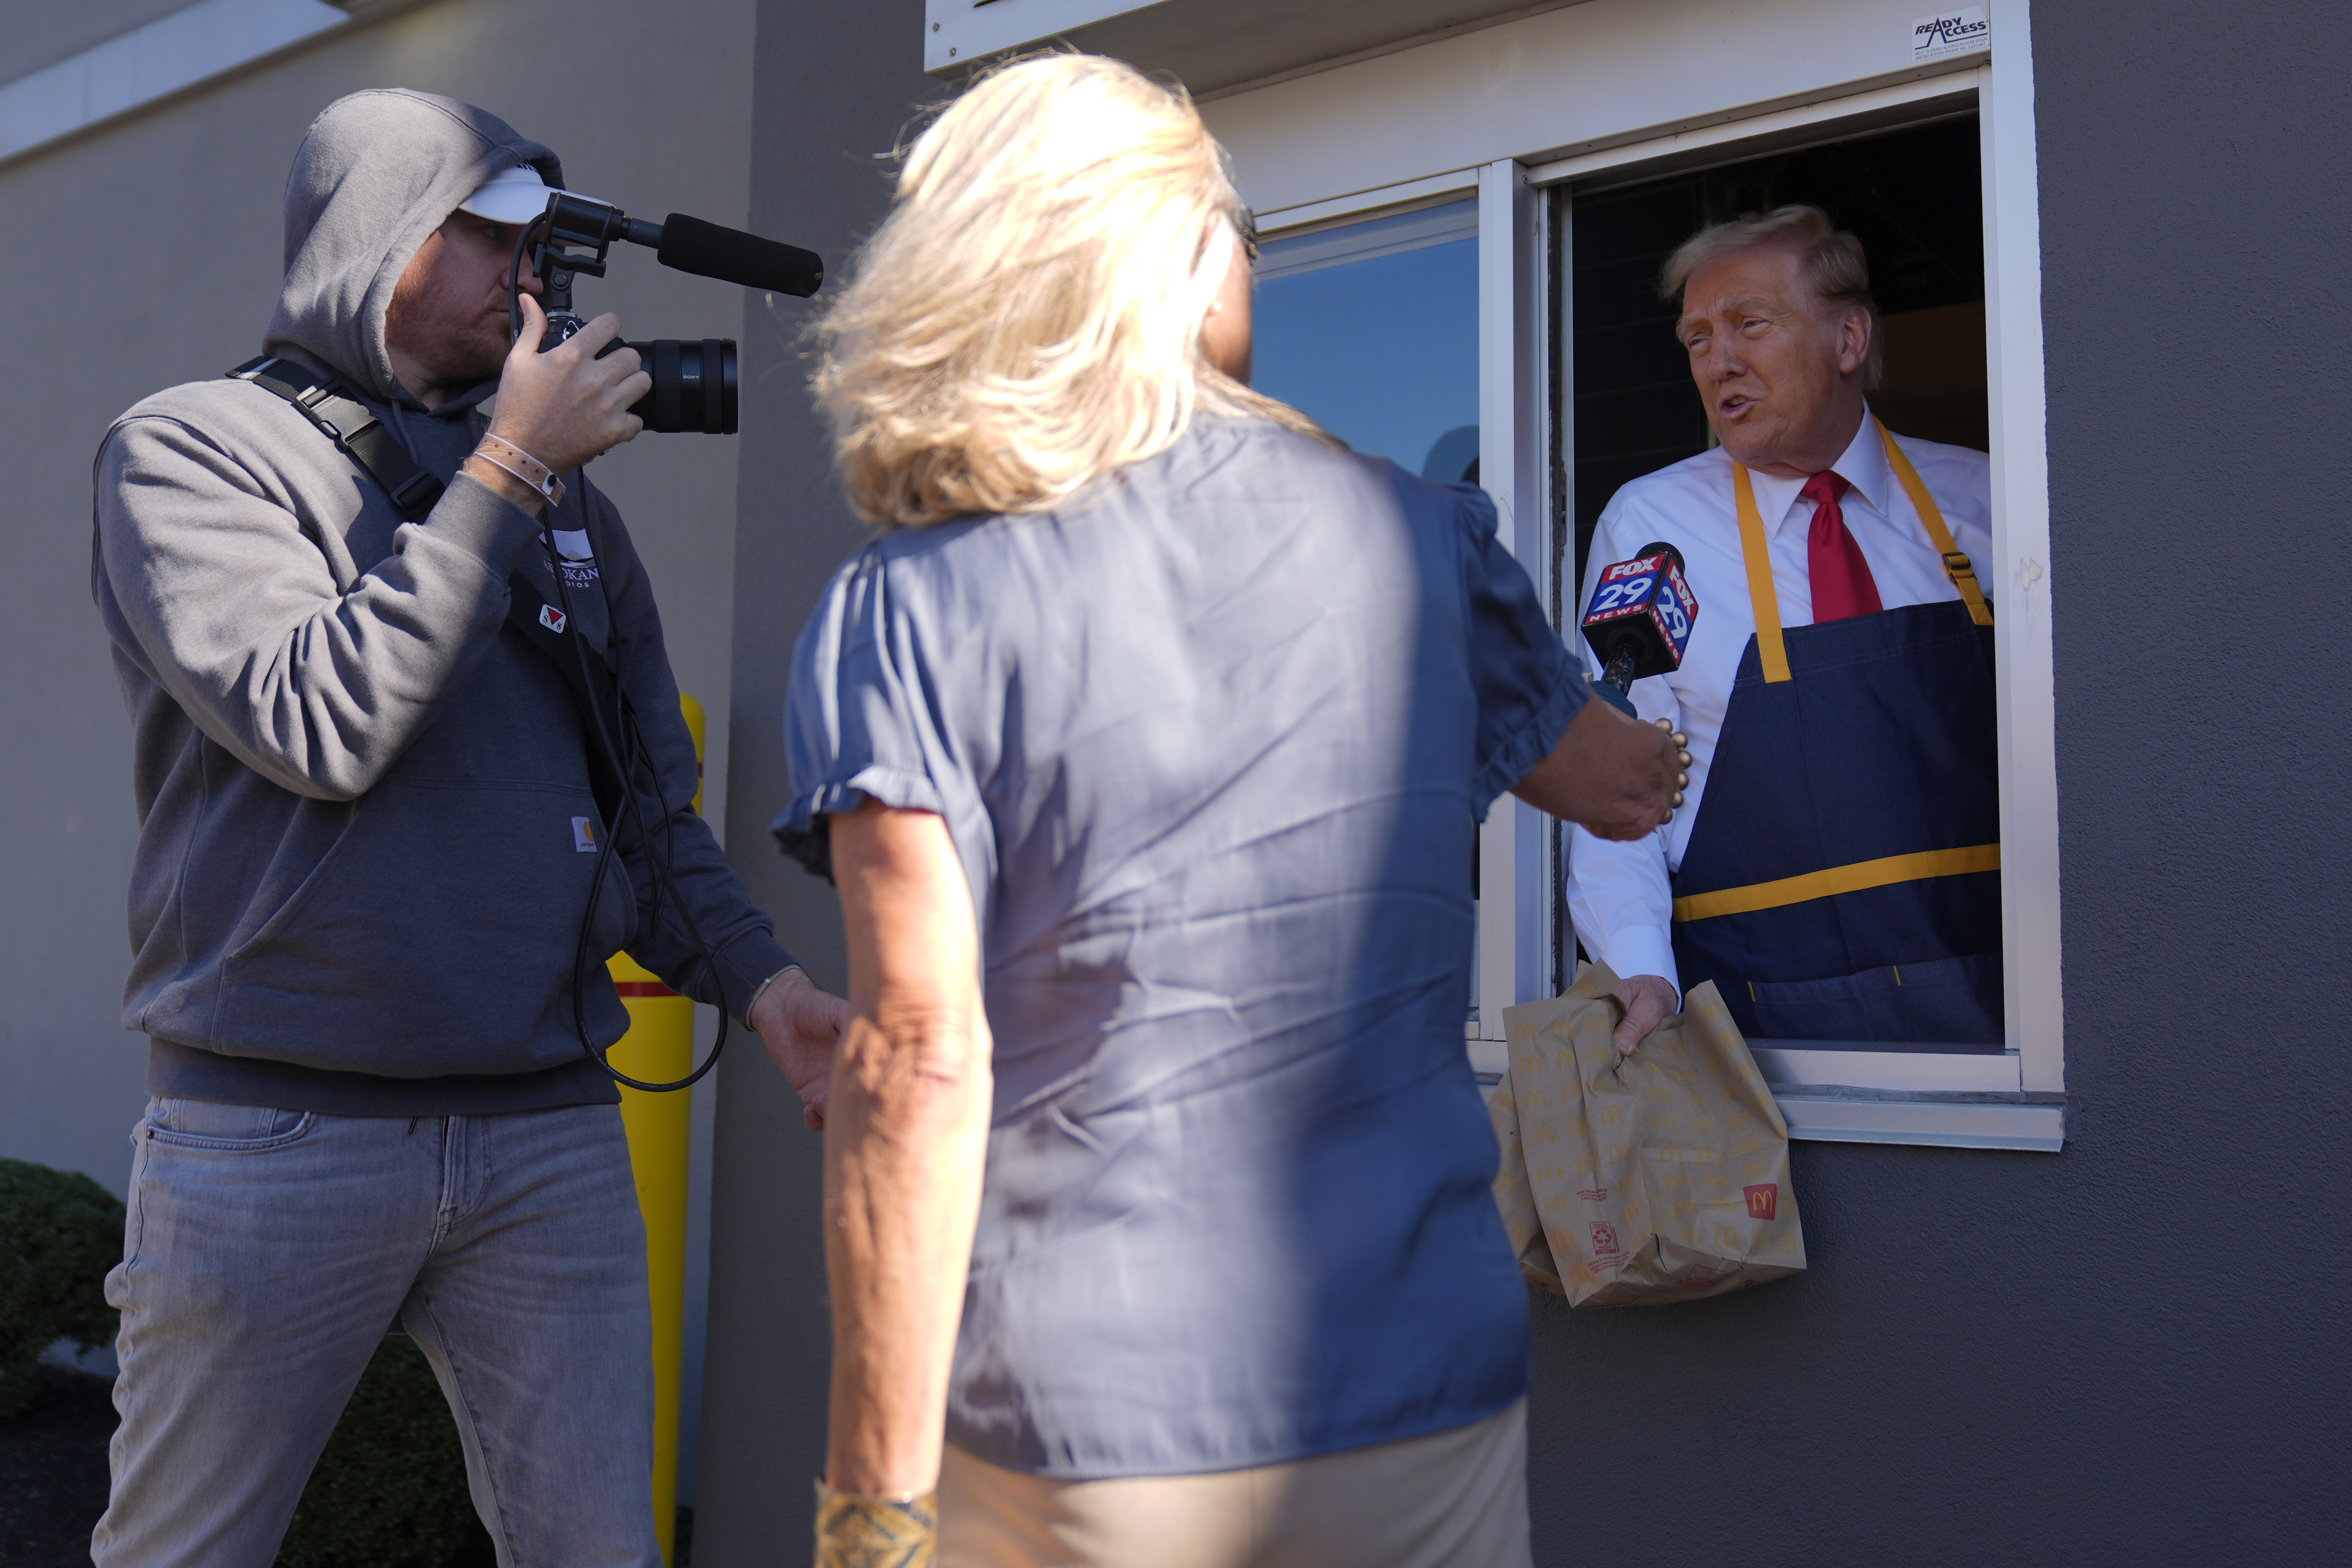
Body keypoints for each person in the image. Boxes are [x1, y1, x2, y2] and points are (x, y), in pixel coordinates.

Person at [774, 55, 1683, 1568]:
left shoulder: (906, 601)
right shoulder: (1421, 538)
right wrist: (1679, 704)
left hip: (1078, 1422)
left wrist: (873, 1509)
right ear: (1185, 260)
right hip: (1412, 1389)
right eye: (1240, 233)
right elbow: (1610, 781)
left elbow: (919, 1059)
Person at [87, 90, 844, 1567]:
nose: (536, 280)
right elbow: (326, 722)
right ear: (383, 239)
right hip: (277, 1126)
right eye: (498, 242)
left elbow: (642, 805)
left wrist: (766, 987)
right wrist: (503, 470)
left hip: (547, 1131)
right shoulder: (190, 451)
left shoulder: (567, 502)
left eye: (546, 246)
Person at [1566, 204, 2000, 1054]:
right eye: (1695, 340)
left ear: (1848, 340)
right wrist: (1637, 971)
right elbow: (1614, 788)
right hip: (1759, 1033)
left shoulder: (1988, 502)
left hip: (1999, 1018)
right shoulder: (1651, 527)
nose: (1717, 361)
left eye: (1748, 325)